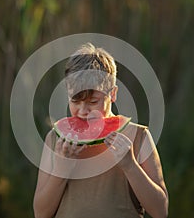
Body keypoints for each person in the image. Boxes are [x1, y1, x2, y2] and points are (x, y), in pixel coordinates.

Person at [33, 43, 168, 218]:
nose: (83, 111)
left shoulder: (138, 137)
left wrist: (130, 166)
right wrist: (62, 168)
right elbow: (40, 214)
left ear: (112, 94)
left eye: (93, 101)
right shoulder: (55, 140)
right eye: (75, 101)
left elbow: (161, 211)